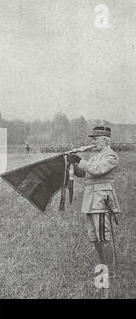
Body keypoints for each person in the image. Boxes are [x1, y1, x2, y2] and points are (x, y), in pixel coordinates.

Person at [68, 126, 120, 298]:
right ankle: (102, 276)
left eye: (95, 139)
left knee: (104, 237)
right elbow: (84, 172)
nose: (92, 142)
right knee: (94, 238)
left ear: (105, 140)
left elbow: (97, 170)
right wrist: (72, 162)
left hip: (101, 201)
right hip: (90, 202)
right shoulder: (97, 155)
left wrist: (79, 159)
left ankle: (109, 276)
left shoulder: (110, 155)